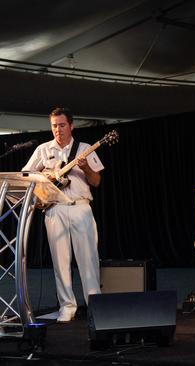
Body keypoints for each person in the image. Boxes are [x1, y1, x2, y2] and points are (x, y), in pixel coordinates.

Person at [22, 107, 104, 323]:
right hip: (54, 209)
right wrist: (44, 176)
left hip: (80, 207)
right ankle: (67, 307)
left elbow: (96, 181)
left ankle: (95, 305)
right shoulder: (42, 149)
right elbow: (26, 175)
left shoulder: (84, 149)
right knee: (60, 261)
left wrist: (85, 169)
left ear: (71, 126)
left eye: (62, 125)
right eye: (54, 126)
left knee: (88, 260)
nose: (57, 130)